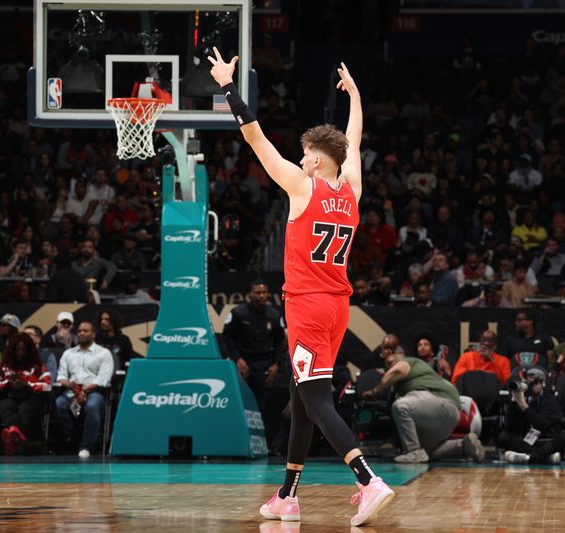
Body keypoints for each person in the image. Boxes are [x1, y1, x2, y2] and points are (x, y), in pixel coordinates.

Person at [208, 49, 393, 526]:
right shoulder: (349, 189)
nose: (301, 157)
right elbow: (353, 143)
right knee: (299, 395)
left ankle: (367, 480)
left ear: (315, 160)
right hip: (337, 308)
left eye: (308, 153)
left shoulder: (300, 186)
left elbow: (255, 137)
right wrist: (355, 98)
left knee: (315, 401)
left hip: (308, 308)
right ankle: (287, 495)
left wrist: (229, 86)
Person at [362, 340, 484, 463]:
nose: (388, 366)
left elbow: (398, 370)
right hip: (447, 416)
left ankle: (413, 451)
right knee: (426, 451)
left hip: (440, 400)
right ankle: (463, 445)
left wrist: (374, 391)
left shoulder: (407, 361)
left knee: (401, 406)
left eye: (390, 363)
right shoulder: (410, 379)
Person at [222, 280, 287, 411]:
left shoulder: (274, 315)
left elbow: (280, 340)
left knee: (261, 404)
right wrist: (237, 359)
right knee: (239, 402)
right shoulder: (237, 313)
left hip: (264, 365)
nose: (261, 295)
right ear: (251, 294)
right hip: (242, 363)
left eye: (264, 292)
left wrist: (276, 364)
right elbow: (227, 337)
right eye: (258, 292)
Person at [55, 321, 114, 458]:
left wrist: (84, 391)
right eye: (80, 331)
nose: (81, 333)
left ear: (93, 334)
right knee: (59, 404)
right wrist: (70, 386)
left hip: (94, 391)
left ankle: (86, 446)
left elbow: (103, 379)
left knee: (92, 405)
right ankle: (74, 438)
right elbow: (61, 376)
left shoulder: (103, 353)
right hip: (72, 390)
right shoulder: (68, 353)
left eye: (85, 331)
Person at [498, 367, 565, 464]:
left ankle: (527, 458)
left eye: (535, 383)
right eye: (529, 383)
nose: (532, 386)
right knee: (503, 436)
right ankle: (545, 458)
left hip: (547, 443)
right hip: (527, 443)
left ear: (543, 383)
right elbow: (510, 427)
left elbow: (541, 424)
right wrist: (514, 403)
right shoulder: (522, 398)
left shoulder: (550, 400)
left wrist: (523, 405)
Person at [0, 333, 51, 455]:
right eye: (17, 350)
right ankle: (16, 438)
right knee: (6, 408)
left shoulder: (37, 365)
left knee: (25, 411)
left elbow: (47, 385)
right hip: (9, 395)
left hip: (31, 396)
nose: (20, 353)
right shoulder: (4, 366)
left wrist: (28, 384)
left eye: (23, 350)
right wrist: (8, 382)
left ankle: (13, 439)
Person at [95, 308, 135, 373]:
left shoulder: (123, 339)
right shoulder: (97, 339)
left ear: (114, 321)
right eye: (101, 319)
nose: (103, 322)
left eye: (107, 319)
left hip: (118, 377)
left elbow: (129, 360)